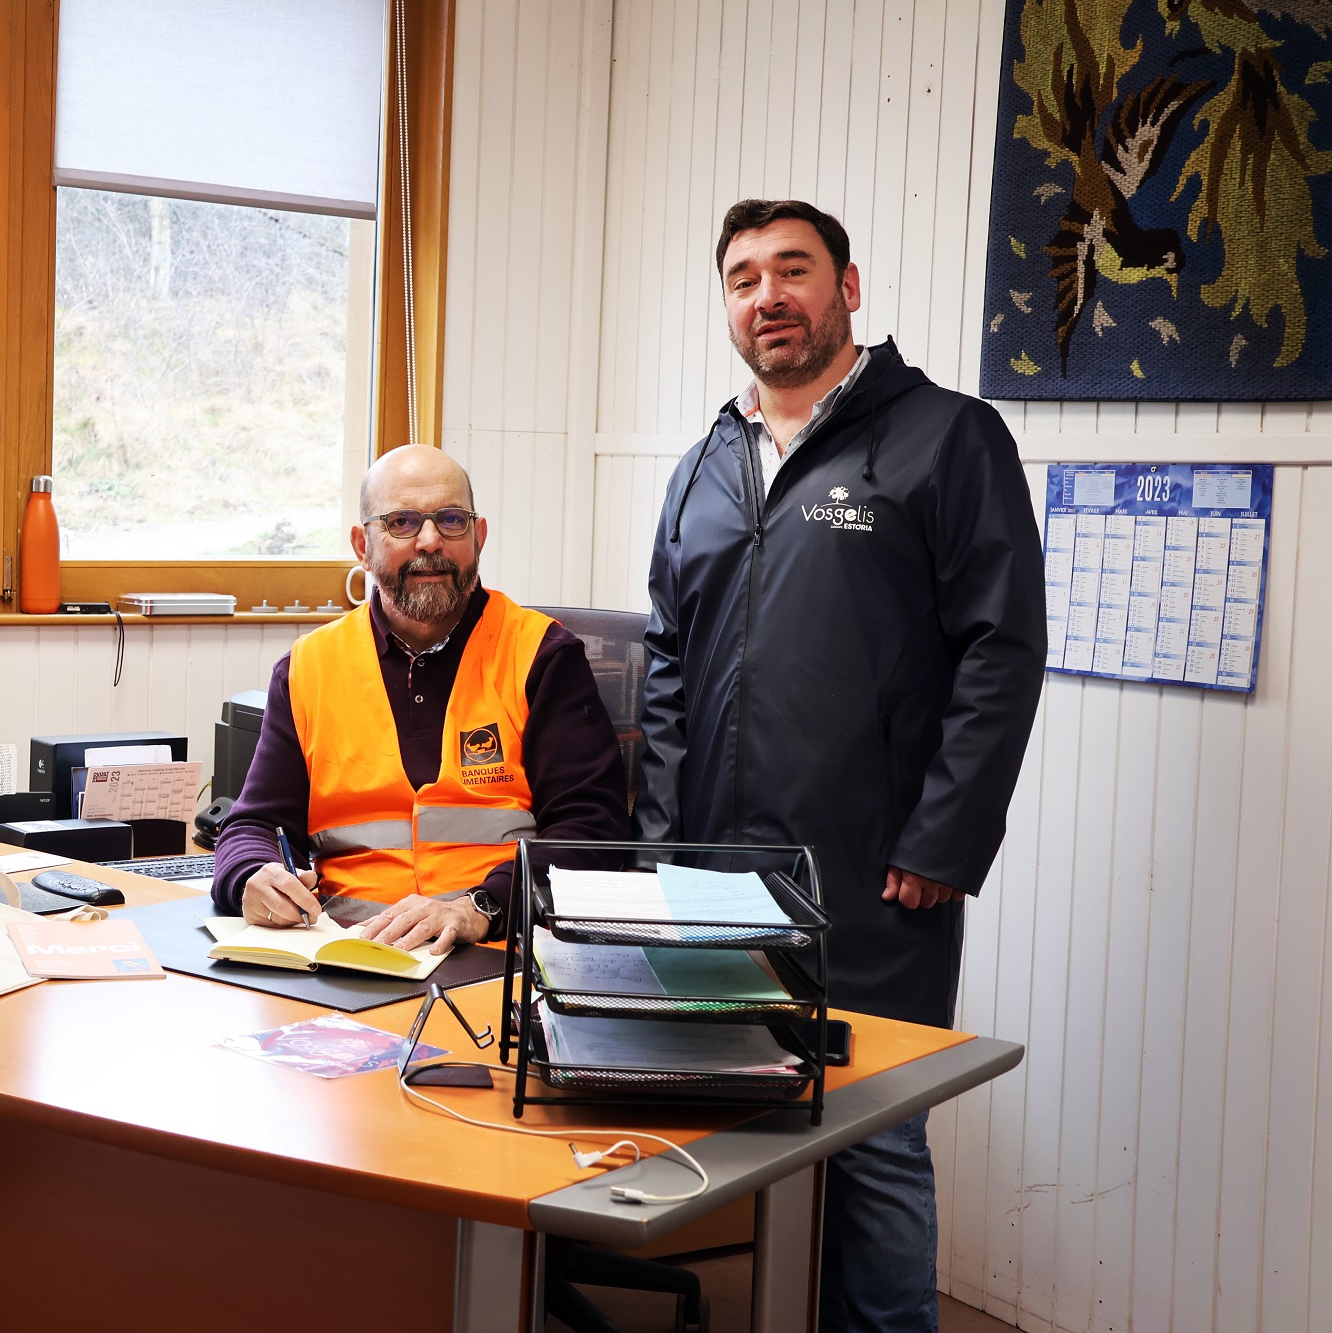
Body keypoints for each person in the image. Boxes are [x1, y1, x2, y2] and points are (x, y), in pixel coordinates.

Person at [637, 199, 1045, 1333]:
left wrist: (943, 839)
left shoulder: (945, 438)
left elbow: (1000, 651)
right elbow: (668, 662)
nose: (766, 295)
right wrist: (660, 850)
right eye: (740, 278)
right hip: (714, 880)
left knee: (870, 1147)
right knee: (744, 1132)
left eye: (791, 270)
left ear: (847, 287)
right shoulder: (704, 463)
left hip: (869, 875)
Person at [212, 444, 628, 951]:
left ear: (478, 537)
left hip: (493, 957)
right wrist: (250, 876)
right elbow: (254, 823)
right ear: (362, 546)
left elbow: (592, 832)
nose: (430, 541)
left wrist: (482, 907)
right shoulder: (308, 668)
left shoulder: (542, 656)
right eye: (403, 522)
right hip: (344, 955)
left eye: (451, 520)